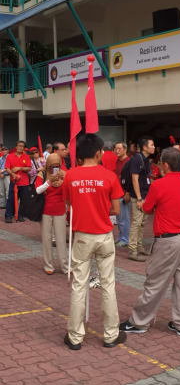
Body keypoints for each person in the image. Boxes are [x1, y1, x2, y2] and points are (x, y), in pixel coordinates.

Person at [119, 147, 180, 337]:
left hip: (168, 240)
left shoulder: (158, 185)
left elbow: (148, 208)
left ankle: (140, 322)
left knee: (155, 282)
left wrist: (143, 203)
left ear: (166, 165)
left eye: (161, 163)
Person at [62, 133, 126, 351]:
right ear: (99, 153)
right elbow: (116, 209)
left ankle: (75, 336)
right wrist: (100, 209)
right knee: (108, 285)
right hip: (105, 236)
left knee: (79, 285)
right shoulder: (109, 177)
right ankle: (111, 335)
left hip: (82, 236)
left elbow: (69, 203)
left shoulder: (71, 176)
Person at [34, 153, 68, 275]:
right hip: (45, 211)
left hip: (60, 210)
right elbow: (37, 190)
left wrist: (66, 177)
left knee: (61, 240)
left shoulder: (64, 173)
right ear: (48, 164)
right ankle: (48, 265)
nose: (55, 167)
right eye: (52, 165)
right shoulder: (42, 174)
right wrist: (49, 182)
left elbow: (70, 187)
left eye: (57, 165)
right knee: (46, 239)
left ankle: (65, 266)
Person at [127, 137, 155, 262]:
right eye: (152, 145)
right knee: (136, 223)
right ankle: (132, 250)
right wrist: (139, 198)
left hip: (145, 195)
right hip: (138, 196)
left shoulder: (145, 160)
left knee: (142, 223)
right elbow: (134, 178)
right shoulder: (137, 159)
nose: (154, 147)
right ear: (144, 147)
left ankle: (139, 246)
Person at [5, 141, 31, 223]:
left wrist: (19, 168)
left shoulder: (26, 157)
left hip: (24, 182)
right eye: (19, 146)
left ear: (24, 148)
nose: (20, 147)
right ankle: (8, 216)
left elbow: (29, 168)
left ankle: (20, 215)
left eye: (22, 146)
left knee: (24, 200)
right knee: (11, 199)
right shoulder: (10, 156)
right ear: (16, 147)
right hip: (14, 181)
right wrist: (13, 174)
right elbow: (7, 168)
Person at [112, 142, 131, 246]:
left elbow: (131, 178)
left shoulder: (128, 161)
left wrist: (127, 192)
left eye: (119, 148)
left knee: (124, 218)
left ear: (125, 150)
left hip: (124, 193)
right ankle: (121, 237)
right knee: (119, 218)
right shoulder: (118, 161)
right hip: (117, 192)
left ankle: (125, 239)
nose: (117, 150)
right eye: (115, 148)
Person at [0, 144, 8, 209]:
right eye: (3, 150)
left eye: (5, 150)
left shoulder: (9, 157)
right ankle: (2, 205)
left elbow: (9, 167)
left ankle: (8, 205)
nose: (4, 151)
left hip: (7, 175)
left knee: (8, 190)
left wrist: (2, 172)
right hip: (1, 175)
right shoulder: (1, 158)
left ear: (7, 151)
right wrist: (0, 173)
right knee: (1, 191)